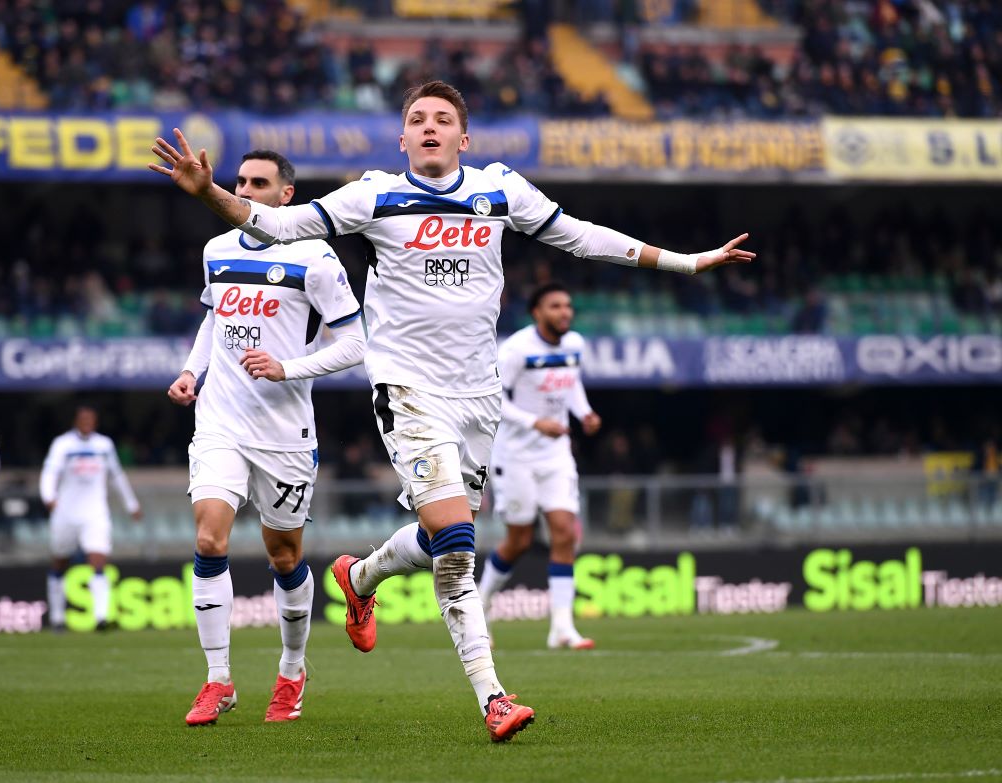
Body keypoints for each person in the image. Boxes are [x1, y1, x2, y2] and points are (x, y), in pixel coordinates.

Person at [149, 80, 754, 742]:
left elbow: (581, 237)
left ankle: (361, 573)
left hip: (478, 396)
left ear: (463, 138)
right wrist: (209, 192)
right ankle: (493, 696)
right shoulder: (375, 194)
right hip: (408, 390)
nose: (429, 126)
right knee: (459, 547)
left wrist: (689, 262)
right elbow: (281, 223)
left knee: (444, 535)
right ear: (402, 138)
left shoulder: (499, 191)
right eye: (417, 119)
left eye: (443, 119)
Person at [164, 150, 365, 726]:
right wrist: (191, 371)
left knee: (284, 557)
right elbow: (214, 319)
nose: (245, 190)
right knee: (208, 540)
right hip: (221, 423)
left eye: (260, 183)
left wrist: (287, 368)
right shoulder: (217, 250)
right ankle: (218, 680)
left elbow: (355, 344)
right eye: (240, 181)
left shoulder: (315, 257)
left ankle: (292, 668)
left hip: (284, 433)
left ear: (286, 197)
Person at [477, 283, 601, 651]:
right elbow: (492, 399)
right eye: (555, 306)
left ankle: (562, 628)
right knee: (519, 540)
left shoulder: (575, 345)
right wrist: (536, 422)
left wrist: (584, 413)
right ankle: (481, 605)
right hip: (515, 455)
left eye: (568, 306)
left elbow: (571, 385)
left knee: (565, 532)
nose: (565, 312)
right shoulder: (515, 350)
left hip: (556, 453)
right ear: (537, 312)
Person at [40, 406, 142, 632]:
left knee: (98, 561)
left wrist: (131, 504)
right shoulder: (63, 444)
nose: (86, 422)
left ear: (95, 422)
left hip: (95, 512)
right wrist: (48, 496)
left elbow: (117, 476)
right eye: (82, 419)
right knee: (59, 562)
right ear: (76, 421)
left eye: (90, 419)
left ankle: (101, 617)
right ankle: (57, 618)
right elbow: (50, 472)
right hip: (65, 512)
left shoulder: (104, 445)